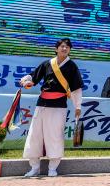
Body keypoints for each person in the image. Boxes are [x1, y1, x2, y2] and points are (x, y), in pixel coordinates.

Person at [19, 38, 83, 178]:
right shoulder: (47, 64)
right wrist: (26, 81)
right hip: (42, 103)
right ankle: (34, 167)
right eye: (62, 46)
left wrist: (77, 106)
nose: (64, 49)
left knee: (55, 135)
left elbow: (76, 88)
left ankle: (52, 168)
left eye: (67, 47)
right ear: (56, 49)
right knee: (35, 134)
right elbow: (33, 78)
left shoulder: (72, 67)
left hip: (59, 105)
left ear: (70, 50)